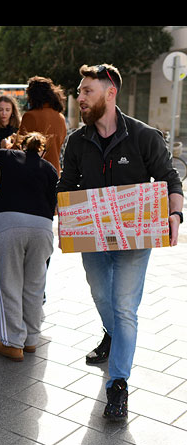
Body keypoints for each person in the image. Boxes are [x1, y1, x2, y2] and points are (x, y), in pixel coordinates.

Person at [57, 64, 184, 421]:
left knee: (125, 307)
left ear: (110, 93)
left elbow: (170, 180)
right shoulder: (76, 141)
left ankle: (118, 384)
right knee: (101, 296)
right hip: (93, 240)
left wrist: (174, 215)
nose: (79, 98)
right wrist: (66, 212)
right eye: (80, 92)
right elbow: (65, 187)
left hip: (134, 241)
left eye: (87, 91)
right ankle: (112, 335)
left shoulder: (144, 136)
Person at [0, 133, 58, 361]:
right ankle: (31, 341)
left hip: (9, 224)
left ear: (22, 145)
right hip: (42, 228)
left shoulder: (8, 155)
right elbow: (53, 205)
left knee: (9, 284)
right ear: (42, 150)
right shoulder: (49, 169)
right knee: (34, 286)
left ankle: (13, 343)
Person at [18, 76, 67, 175]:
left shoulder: (30, 116)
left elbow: (19, 148)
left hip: (35, 173)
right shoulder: (60, 117)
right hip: (55, 172)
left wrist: (6, 145)